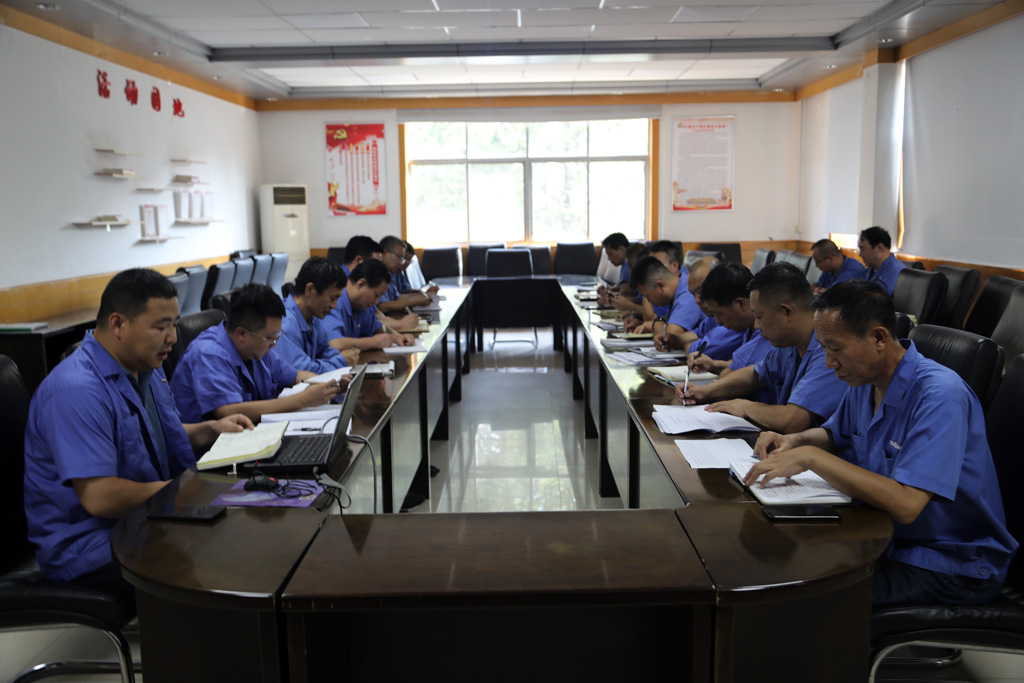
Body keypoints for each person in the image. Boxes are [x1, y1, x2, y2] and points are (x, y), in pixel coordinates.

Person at [746, 280, 1018, 605]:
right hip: (884, 536)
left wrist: (811, 458)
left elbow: (906, 504)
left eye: (836, 348)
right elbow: (836, 434)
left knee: (804, 599)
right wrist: (794, 440)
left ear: (878, 338)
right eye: (824, 348)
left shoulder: (940, 396)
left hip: (948, 562)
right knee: (778, 558)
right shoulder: (864, 379)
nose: (829, 362)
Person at [23, 268, 253, 595]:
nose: (172, 337)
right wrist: (189, 491)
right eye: (161, 327)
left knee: (243, 528)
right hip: (90, 545)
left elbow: (148, 438)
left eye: (174, 324)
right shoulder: (76, 391)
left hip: (143, 517)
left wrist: (210, 429)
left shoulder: (144, 368)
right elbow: (100, 496)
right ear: (118, 324)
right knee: (224, 556)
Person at [677, 262, 847, 433]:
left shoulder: (829, 350)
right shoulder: (788, 343)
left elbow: (792, 419)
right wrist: (705, 391)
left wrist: (745, 407)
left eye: (759, 317)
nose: (756, 326)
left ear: (787, 312)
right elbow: (756, 373)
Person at [171, 283, 345, 424]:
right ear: (242, 334)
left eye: (276, 336)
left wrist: (329, 385)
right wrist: (303, 399)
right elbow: (230, 411)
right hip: (212, 451)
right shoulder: (208, 353)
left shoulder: (257, 347)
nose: (274, 344)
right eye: (270, 338)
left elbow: (295, 376)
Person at [688, 261, 772, 376]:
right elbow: (742, 365)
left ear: (741, 304)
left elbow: (732, 373)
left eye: (719, 314)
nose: (717, 320)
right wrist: (713, 364)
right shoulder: (748, 327)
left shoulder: (766, 330)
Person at [277, 256, 359, 373]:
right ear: (310, 290)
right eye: (332, 298)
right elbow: (300, 371)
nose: (334, 306)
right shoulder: (285, 324)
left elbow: (324, 351)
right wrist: (340, 362)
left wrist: (342, 357)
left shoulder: (313, 317)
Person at [324, 258, 416, 351]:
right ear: (360, 284)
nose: (376, 302)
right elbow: (334, 344)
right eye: (376, 295)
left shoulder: (361, 304)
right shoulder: (334, 302)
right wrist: (373, 342)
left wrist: (397, 337)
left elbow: (377, 327)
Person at [628, 255, 704, 351]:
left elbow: (668, 337)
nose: (649, 301)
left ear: (660, 285)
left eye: (647, 296)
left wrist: (653, 325)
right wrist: (644, 324)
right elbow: (665, 323)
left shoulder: (688, 294)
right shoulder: (678, 288)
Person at [376, 235, 436, 315]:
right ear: (385, 252)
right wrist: (416, 301)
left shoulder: (388, 272)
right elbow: (382, 306)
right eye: (399, 257)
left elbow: (398, 297)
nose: (401, 262)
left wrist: (423, 296)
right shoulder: (376, 273)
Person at [858, 226, 906, 295]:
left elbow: (877, 299)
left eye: (863, 249)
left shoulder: (896, 272)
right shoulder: (869, 271)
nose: (860, 254)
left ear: (879, 248)